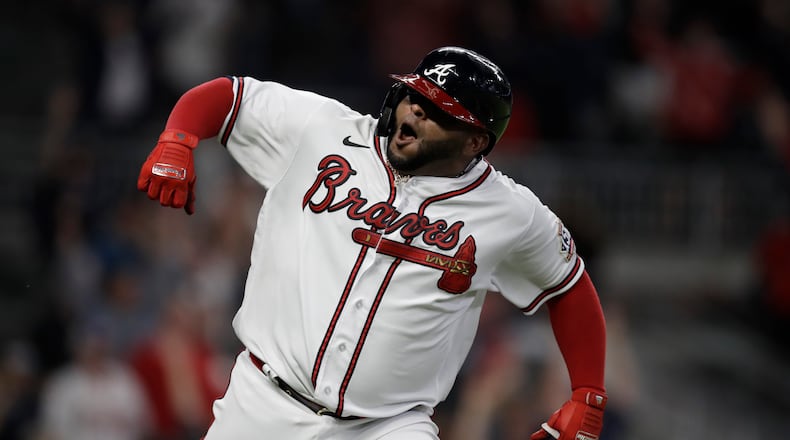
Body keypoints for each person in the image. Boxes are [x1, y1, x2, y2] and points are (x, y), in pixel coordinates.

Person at [136, 46, 607, 440]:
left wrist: (587, 392)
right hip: (263, 401)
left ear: (474, 141)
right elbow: (229, 96)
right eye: (414, 95)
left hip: (388, 426)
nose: (416, 110)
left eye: (440, 111)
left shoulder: (511, 212)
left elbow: (569, 286)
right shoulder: (323, 131)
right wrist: (178, 138)